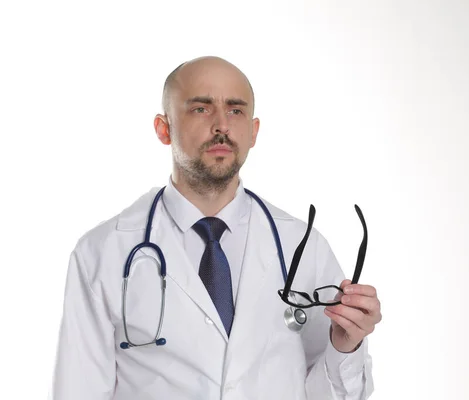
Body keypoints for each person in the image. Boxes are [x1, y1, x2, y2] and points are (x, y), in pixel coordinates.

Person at [51, 56, 382, 399]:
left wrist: (345, 346)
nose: (222, 124)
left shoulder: (302, 245)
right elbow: (78, 390)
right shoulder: (102, 253)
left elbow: (332, 395)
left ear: (253, 132)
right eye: (201, 109)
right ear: (164, 129)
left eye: (236, 110)